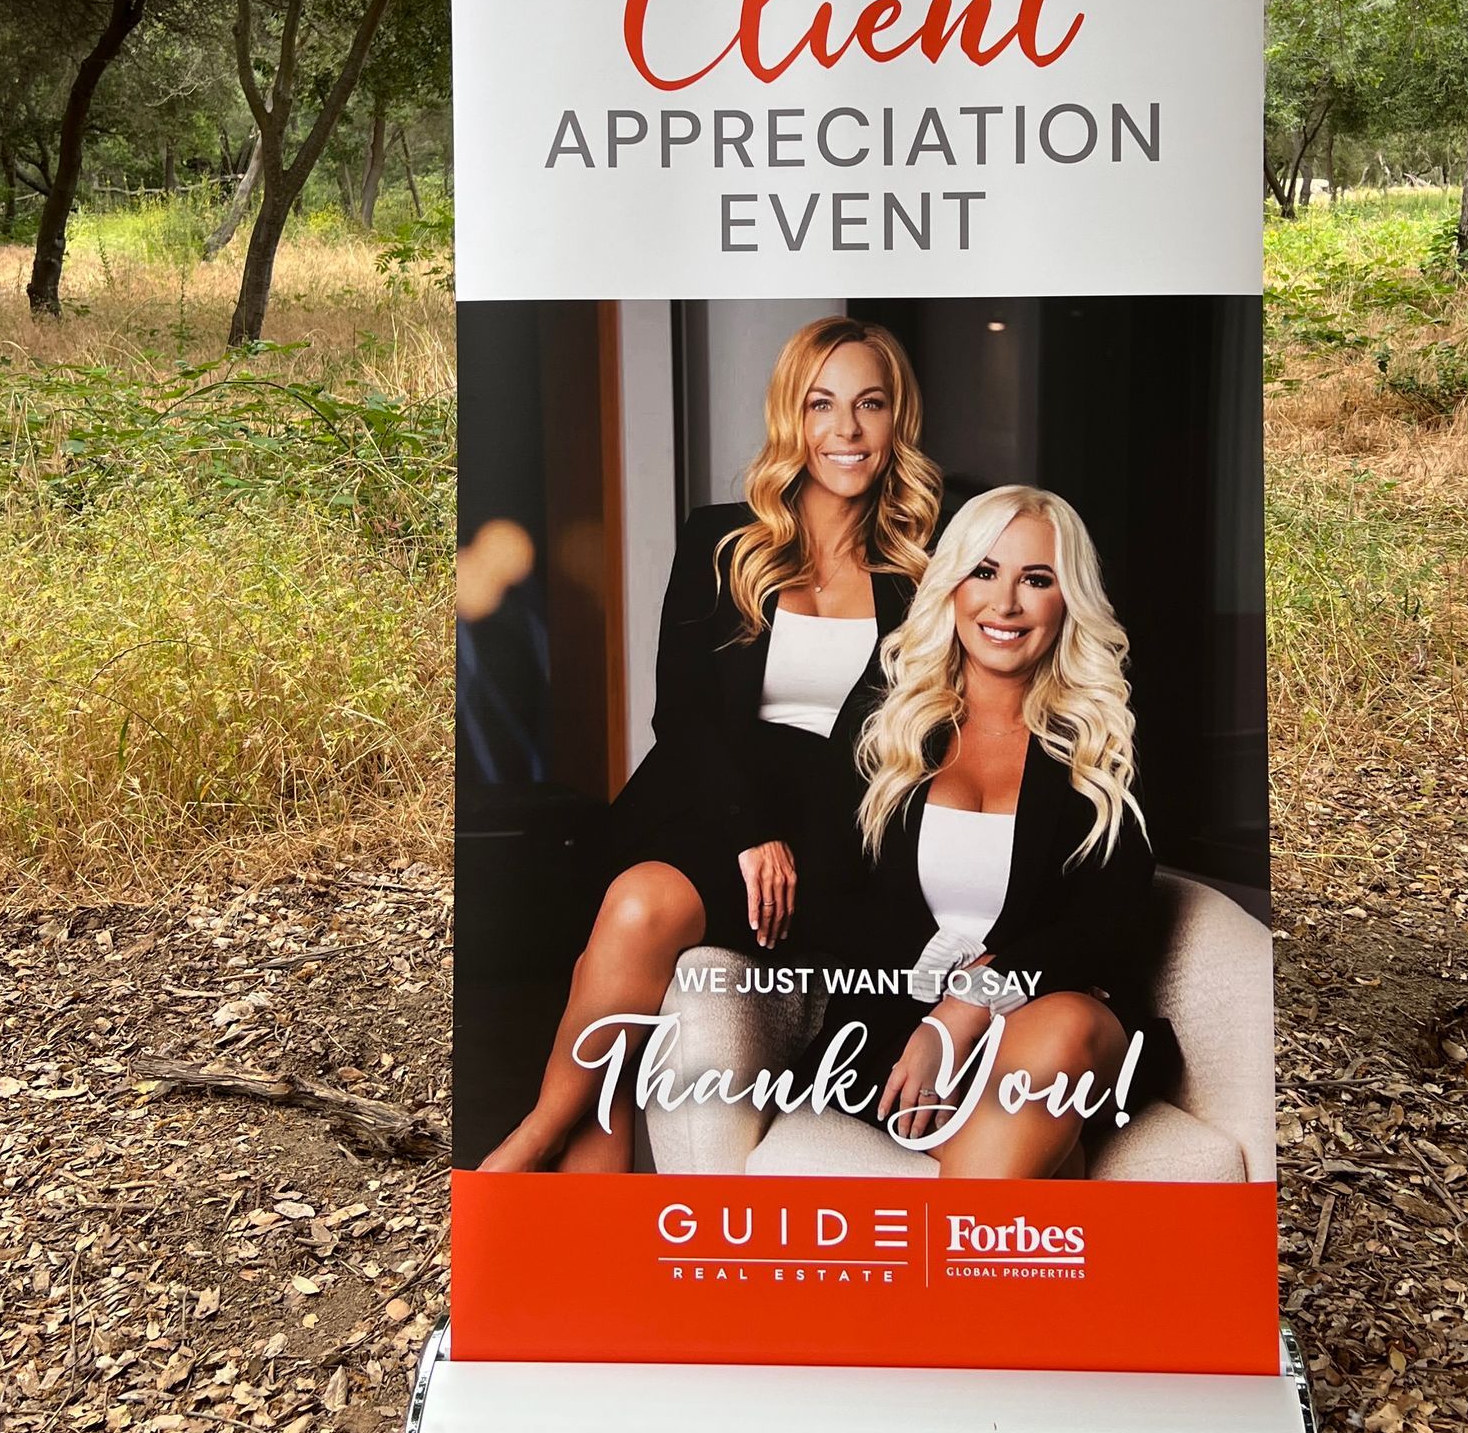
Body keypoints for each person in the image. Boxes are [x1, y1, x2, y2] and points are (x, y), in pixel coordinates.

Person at [479, 315, 940, 1171]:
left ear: (896, 419)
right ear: (791, 416)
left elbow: (919, 739)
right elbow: (684, 711)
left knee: (633, 938)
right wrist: (748, 831)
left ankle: (529, 1152)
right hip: (708, 803)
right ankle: (540, 1150)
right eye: (822, 404)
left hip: (832, 836)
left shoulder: (928, 568)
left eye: (869, 405)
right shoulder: (720, 538)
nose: (846, 430)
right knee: (635, 920)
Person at [798, 485, 1166, 1178]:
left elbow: (1112, 923)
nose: (1005, 604)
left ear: (1068, 600)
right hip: (898, 1031)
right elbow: (824, 900)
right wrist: (935, 1000)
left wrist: (971, 1003)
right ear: (952, 585)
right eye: (985, 572)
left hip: (1061, 1016)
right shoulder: (883, 722)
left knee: (1064, 1027)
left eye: (1037, 579)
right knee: (1047, 1157)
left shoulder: (1103, 735)